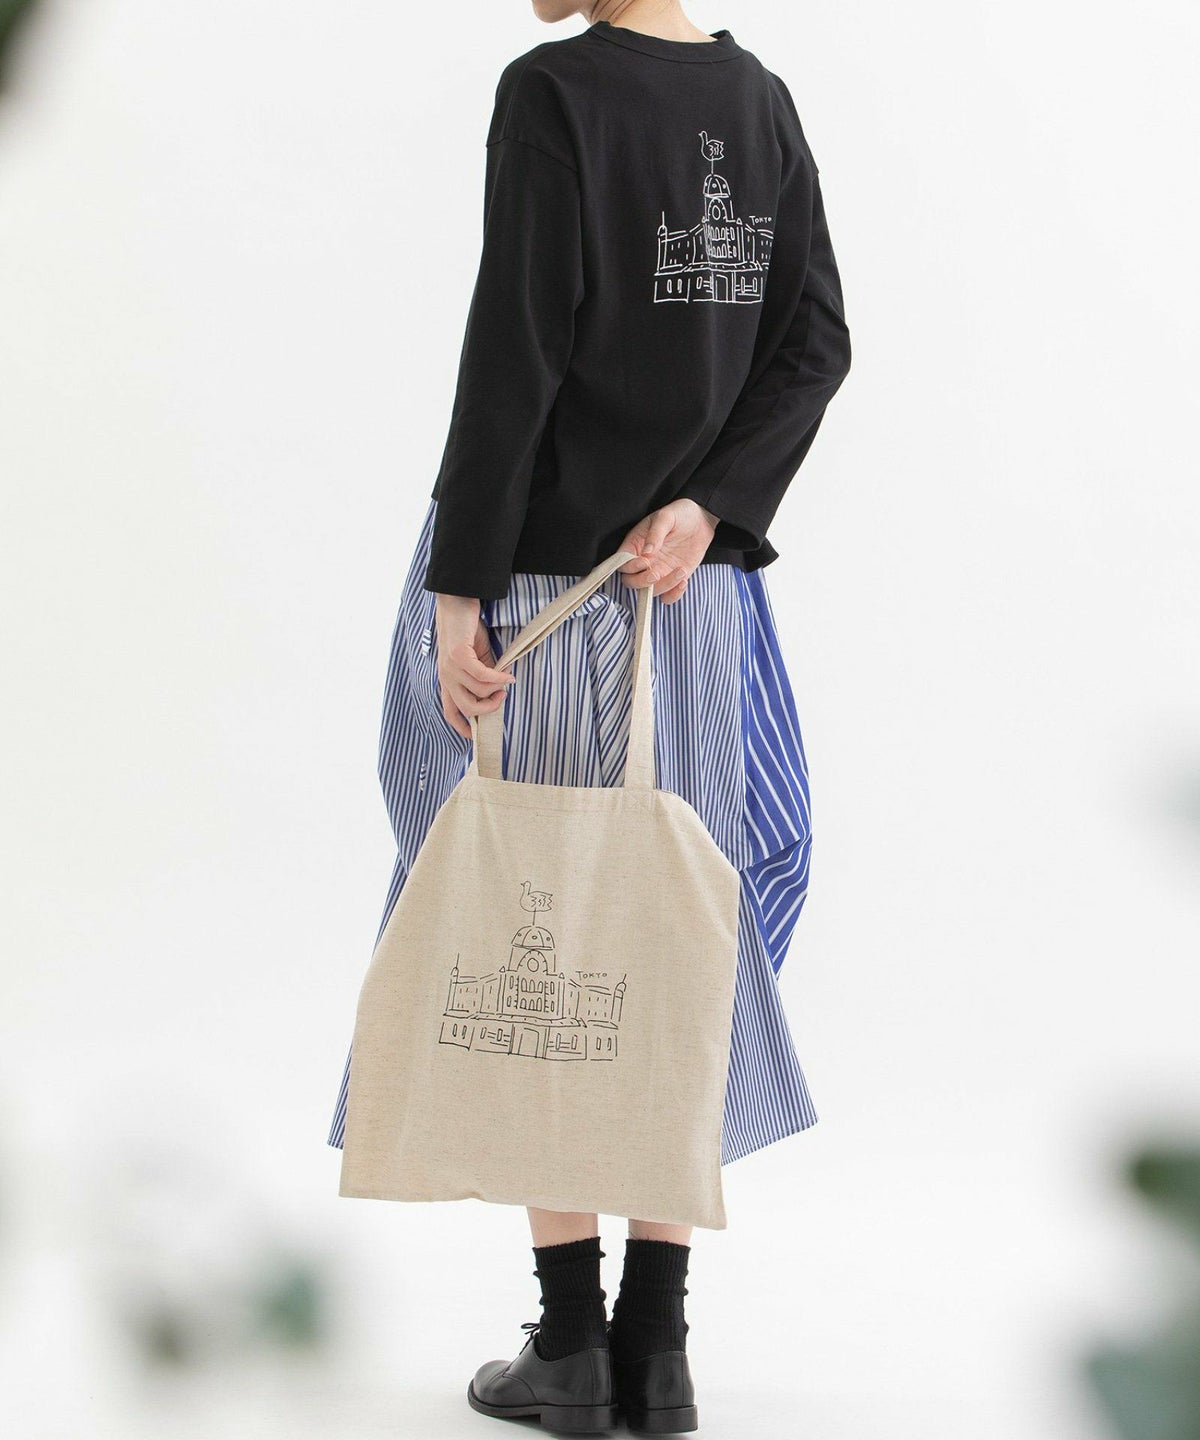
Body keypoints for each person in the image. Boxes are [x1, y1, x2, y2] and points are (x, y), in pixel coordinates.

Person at [327, 0, 852, 1431]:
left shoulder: (554, 92)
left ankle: (570, 1342)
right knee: (676, 924)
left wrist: (459, 589)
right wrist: (711, 503)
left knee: (543, 927)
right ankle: (657, 1346)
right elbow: (815, 345)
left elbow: (518, 349)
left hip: (547, 586)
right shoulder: (759, 101)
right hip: (698, 600)